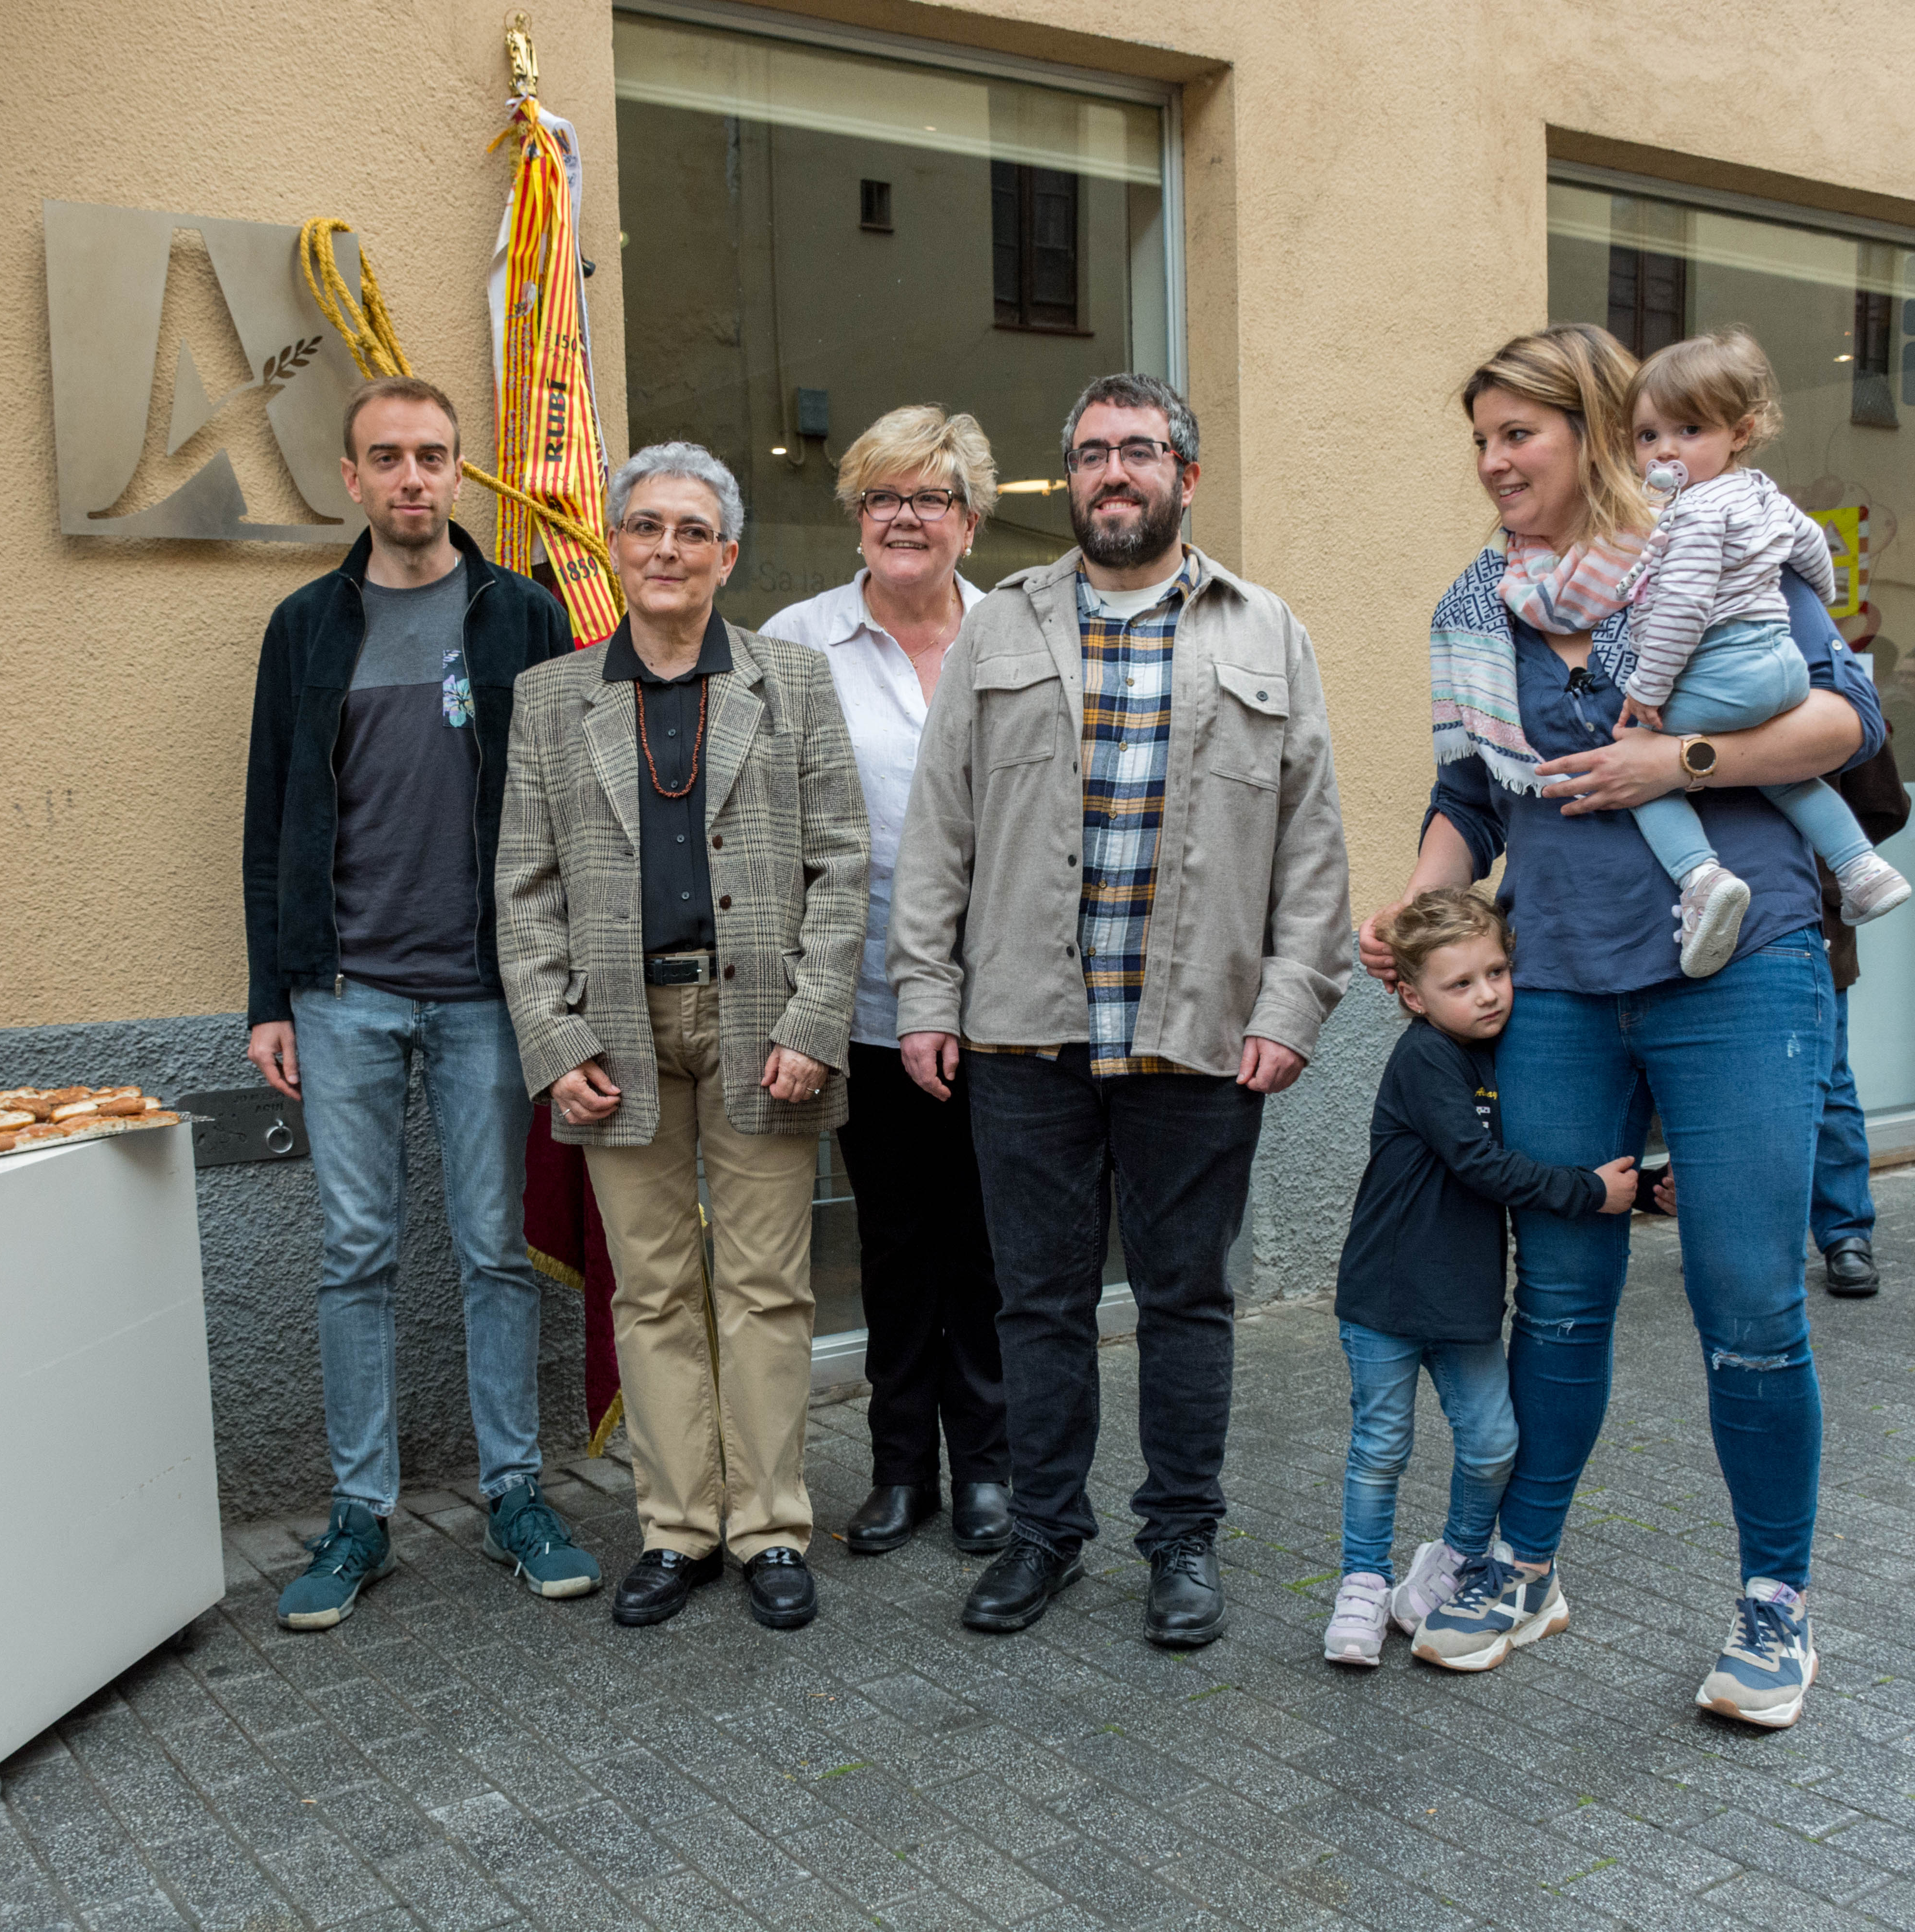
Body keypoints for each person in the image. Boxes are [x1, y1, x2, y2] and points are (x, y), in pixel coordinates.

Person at [1376, 323, 1882, 1726]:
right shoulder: (1479, 603)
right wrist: (1414, 914)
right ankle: (1522, 1563)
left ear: (1592, 432)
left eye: (1514, 436)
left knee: (1748, 1301)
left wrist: (1682, 758)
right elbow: (1471, 794)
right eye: (1477, 440)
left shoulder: (1715, 550)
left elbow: (1845, 722)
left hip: (1740, 970)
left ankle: (1772, 1601)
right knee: (1557, 1298)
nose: (1489, 464)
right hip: (1557, 985)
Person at [889, 372, 1353, 1650]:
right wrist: (925, 993)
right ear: (1071, 480)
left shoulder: (1268, 633)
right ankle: (1043, 1532)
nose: (1113, 473)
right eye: (1090, 453)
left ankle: (1182, 1537)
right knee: (1035, 1303)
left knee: (1185, 1300)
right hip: (1026, 1031)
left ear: (1184, 478)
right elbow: (941, 831)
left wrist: (1294, 1005)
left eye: (1138, 451)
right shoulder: (1004, 631)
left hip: (1195, 1034)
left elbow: (1313, 848)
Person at [240, 374, 595, 1631]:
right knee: (356, 1255)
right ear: (352, 478)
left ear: (458, 473)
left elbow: (568, 813)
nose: (410, 478)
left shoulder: (521, 618)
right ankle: (360, 1515)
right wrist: (268, 993)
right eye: (386, 457)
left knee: (497, 1249)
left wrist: (568, 989)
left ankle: (514, 1493)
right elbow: (269, 816)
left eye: (432, 456)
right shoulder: (306, 627)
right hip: (342, 995)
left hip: (490, 997)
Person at [496, 441, 869, 1631]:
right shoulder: (552, 697)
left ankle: (767, 1527)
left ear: (728, 555)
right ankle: (676, 1528)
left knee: (765, 1285)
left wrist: (817, 1021)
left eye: (691, 530)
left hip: (764, 1023)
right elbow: (521, 886)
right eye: (646, 526)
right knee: (651, 1290)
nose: (667, 548)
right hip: (614, 1033)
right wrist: (555, 1042)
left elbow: (844, 864)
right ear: (617, 543)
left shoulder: (793, 682)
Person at [757, 405, 1012, 1559]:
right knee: (900, 1242)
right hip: (862, 999)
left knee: (995, 1242)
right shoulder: (796, 643)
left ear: (969, 518)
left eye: (931, 498)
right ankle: (903, 1468)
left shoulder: (1020, 632)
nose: (905, 517)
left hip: (1007, 999)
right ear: (856, 514)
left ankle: (993, 1471)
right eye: (882, 497)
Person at [1323, 889, 1635, 1669]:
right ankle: (1362, 1584)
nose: (1489, 993)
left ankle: (1458, 1559)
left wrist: (1641, 1184)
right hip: (1387, 1298)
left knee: (1494, 1443)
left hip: (1461, 1304)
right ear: (1411, 995)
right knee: (1381, 1448)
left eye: (1497, 971)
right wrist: (1591, 1193)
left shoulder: (1498, 1052)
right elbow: (1482, 1164)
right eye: (1461, 984)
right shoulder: (1427, 1057)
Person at [1595, 330, 1907, 975]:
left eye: (1688, 430)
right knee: (1788, 774)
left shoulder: (1695, 515)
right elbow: (1813, 554)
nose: (1665, 451)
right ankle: (1861, 867)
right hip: (1781, 668)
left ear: (1740, 431)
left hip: (1722, 669)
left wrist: (1649, 689)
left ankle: (1701, 879)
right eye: (1648, 436)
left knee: (1640, 767)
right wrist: (1817, 606)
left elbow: (1680, 612)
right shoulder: (1763, 493)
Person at [1809, 741, 1911, 1296]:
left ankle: (1845, 1233)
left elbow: (1885, 805)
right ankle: (1732, 1232)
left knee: (1827, 1081)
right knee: (1713, 1087)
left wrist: (1830, 864)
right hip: (1701, 913)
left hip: (1808, 912)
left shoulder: (1825, 675)